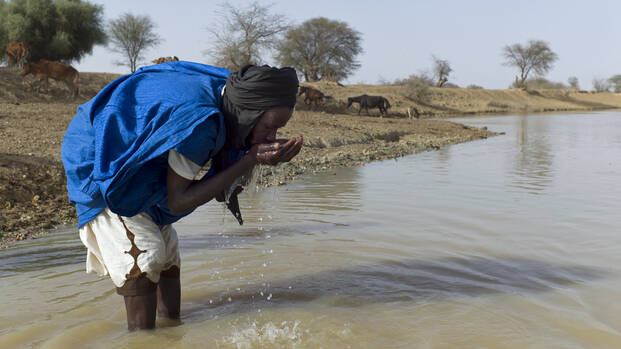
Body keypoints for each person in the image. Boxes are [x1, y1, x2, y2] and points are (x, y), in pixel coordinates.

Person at [61, 61, 303, 330]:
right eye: (269, 127)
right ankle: (142, 341)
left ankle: (173, 331)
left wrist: (253, 158)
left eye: (278, 129)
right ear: (250, 115)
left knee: (168, 257)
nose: (273, 136)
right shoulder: (202, 122)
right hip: (101, 155)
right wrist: (250, 160)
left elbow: (222, 191)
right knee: (145, 258)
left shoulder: (235, 97)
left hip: (145, 161)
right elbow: (179, 201)